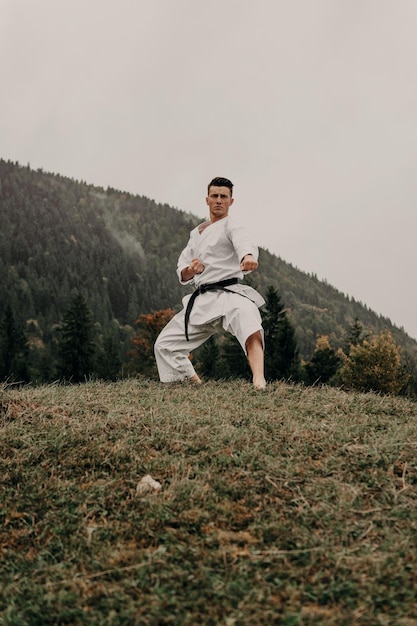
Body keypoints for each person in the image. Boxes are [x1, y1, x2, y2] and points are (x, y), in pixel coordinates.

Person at [154, 177, 266, 389]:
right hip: (202, 300)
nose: (218, 200)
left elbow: (243, 241)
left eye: (224, 196)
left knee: (251, 325)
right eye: (214, 196)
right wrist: (191, 269)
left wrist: (248, 256)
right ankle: (193, 384)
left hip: (229, 294)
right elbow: (183, 268)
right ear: (206, 199)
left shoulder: (233, 226)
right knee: (164, 345)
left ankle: (259, 380)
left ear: (231, 201)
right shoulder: (196, 234)